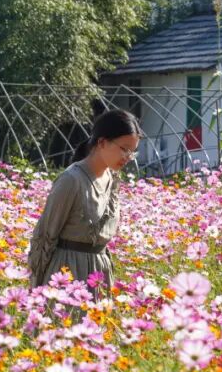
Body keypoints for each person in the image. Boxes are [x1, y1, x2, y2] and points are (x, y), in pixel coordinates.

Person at [28, 109, 143, 292]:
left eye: (132, 152)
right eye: (124, 149)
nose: (128, 158)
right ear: (102, 142)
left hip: (100, 275)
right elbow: (44, 237)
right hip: (68, 276)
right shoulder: (71, 180)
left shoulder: (112, 179)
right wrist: (36, 288)